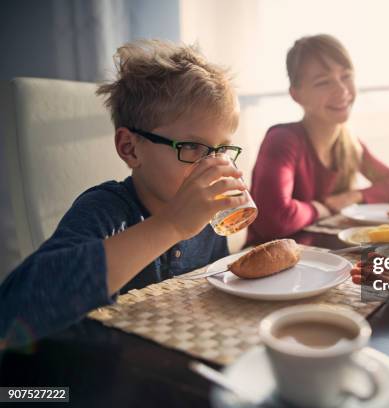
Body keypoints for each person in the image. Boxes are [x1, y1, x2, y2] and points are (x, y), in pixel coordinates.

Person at [0, 40, 248, 347]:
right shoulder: (106, 210)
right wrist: (171, 225)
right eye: (192, 147)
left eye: (221, 149)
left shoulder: (209, 218)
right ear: (130, 148)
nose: (211, 164)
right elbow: (13, 310)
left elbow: (213, 294)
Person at [247, 34, 389, 245]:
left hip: (323, 260)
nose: (341, 90)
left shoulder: (349, 143)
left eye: (346, 76)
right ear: (296, 95)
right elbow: (275, 220)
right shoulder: (283, 140)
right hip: (269, 264)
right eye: (323, 82)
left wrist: (350, 197)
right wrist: (322, 207)